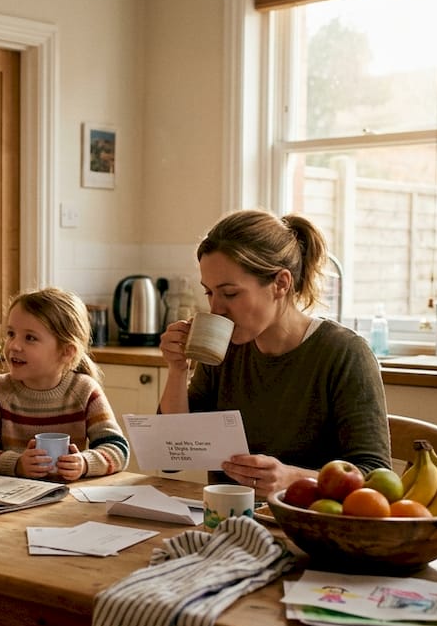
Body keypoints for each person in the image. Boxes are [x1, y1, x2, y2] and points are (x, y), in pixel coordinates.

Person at [0, 286, 130, 626]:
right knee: (10, 624)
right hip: (2, 526)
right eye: (10, 334)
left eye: (30, 337)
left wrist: (85, 463)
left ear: (67, 352)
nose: (13, 346)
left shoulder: (84, 391)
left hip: (66, 529)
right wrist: (14, 463)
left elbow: (118, 449)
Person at [157, 209, 389, 498]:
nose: (216, 309)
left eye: (230, 294)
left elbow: (375, 473)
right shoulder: (222, 348)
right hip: (227, 523)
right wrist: (178, 369)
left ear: (281, 283)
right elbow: (171, 457)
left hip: (310, 526)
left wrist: (292, 478)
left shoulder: (344, 354)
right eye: (209, 293)